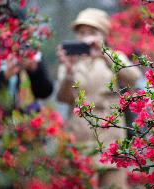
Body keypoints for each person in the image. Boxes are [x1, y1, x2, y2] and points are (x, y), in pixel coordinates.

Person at [56, 8, 142, 188]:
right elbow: (63, 97)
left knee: (114, 184)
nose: (86, 38)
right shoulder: (70, 63)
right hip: (79, 136)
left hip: (110, 137)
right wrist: (69, 72)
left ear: (103, 34)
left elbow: (133, 77)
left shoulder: (114, 57)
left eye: (92, 32)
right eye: (81, 32)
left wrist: (104, 54)